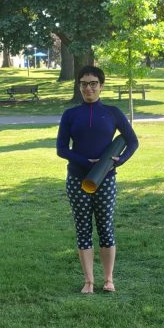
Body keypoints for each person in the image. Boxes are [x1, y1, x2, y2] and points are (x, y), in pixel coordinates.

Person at [56, 66, 139, 294]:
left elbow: (132, 142)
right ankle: (89, 281)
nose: (88, 88)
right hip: (77, 180)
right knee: (83, 229)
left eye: (93, 83)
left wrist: (119, 161)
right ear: (79, 86)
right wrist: (84, 161)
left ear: (101, 86)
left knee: (105, 228)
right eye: (84, 84)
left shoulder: (112, 112)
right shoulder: (70, 114)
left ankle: (109, 279)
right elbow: (61, 149)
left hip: (106, 179)